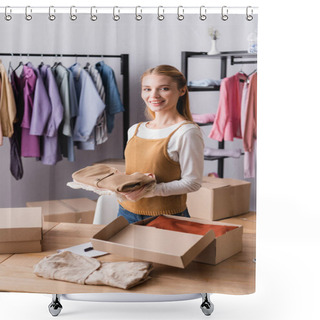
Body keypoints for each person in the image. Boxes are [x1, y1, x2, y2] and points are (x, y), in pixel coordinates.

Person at [117, 65, 204, 223]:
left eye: (164, 88)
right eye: (147, 89)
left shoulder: (186, 132)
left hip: (166, 216)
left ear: (182, 91)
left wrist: (150, 191)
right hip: (125, 212)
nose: (154, 95)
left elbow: (193, 183)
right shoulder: (135, 130)